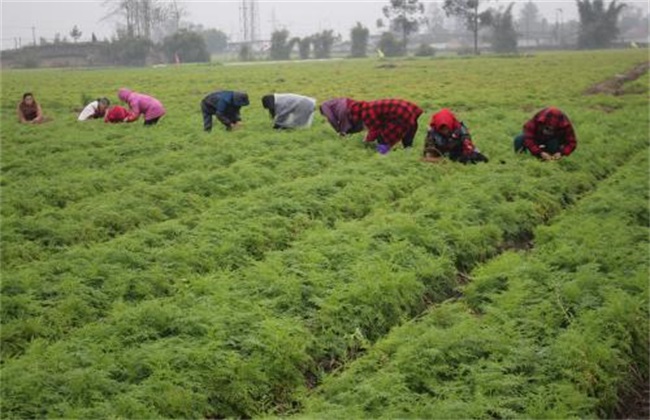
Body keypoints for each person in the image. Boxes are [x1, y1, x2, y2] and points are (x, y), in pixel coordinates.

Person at [348, 98, 423, 154]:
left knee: (383, 138)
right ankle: (408, 155)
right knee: (407, 134)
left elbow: (375, 129)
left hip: (401, 113)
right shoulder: (368, 106)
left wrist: (367, 141)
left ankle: (382, 156)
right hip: (408, 109)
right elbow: (381, 123)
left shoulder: (366, 112)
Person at [422, 108, 488, 164]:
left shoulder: (460, 129)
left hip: (457, 151)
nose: (445, 131)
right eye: (442, 129)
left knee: (474, 157)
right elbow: (429, 151)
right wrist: (437, 159)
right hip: (441, 153)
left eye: (446, 128)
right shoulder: (432, 132)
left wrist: (468, 150)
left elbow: (468, 144)